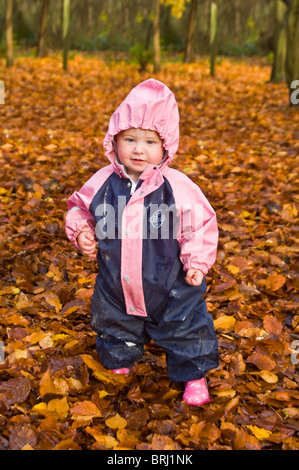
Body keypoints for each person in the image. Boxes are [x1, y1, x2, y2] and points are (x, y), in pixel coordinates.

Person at [65, 78, 219, 406]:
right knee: (113, 321)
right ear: (115, 140)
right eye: (130, 139)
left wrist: (196, 262)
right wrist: (82, 232)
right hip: (117, 283)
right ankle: (121, 356)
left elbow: (200, 226)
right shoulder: (102, 182)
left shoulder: (177, 187)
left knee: (186, 326)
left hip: (172, 286)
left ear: (165, 147)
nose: (138, 149)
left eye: (150, 141)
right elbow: (79, 208)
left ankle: (193, 373)